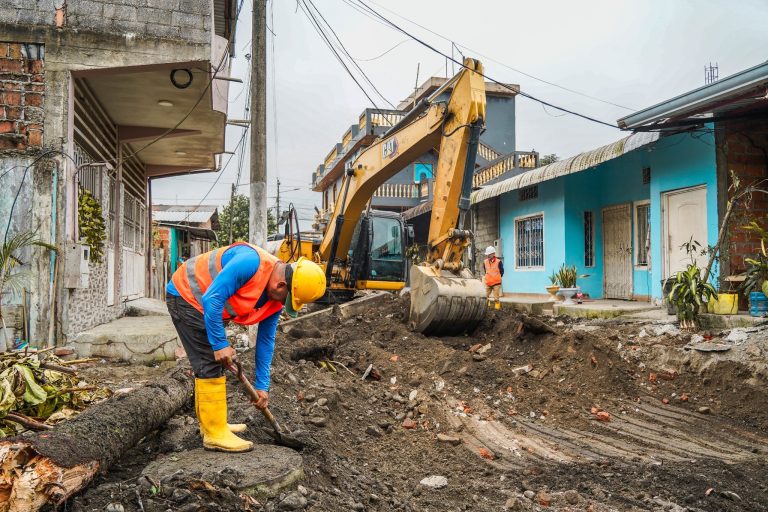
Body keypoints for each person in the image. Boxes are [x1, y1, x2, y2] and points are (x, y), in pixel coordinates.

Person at [165, 242, 326, 452]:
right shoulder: (250, 263)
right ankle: (214, 433)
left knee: (213, 363)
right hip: (186, 295)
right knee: (209, 362)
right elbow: (212, 298)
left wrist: (262, 385)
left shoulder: (275, 299)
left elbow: (266, 340)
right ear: (281, 286)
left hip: (208, 306)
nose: (283, 305)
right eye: (286, 300)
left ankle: (213, 424)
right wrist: (220, 344)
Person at [483, 246, 504, 310]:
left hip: (496, 283)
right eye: (487, 254)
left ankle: (497, 310)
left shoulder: (498, 262)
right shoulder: (485, 262)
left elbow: (502, 271)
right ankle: (487, 309)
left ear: (493, 254)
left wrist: (497, 277)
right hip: (488, 282)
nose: (488, 256)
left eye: (489, 254)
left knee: (496, 298)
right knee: (485, 297)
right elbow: (485, 270)